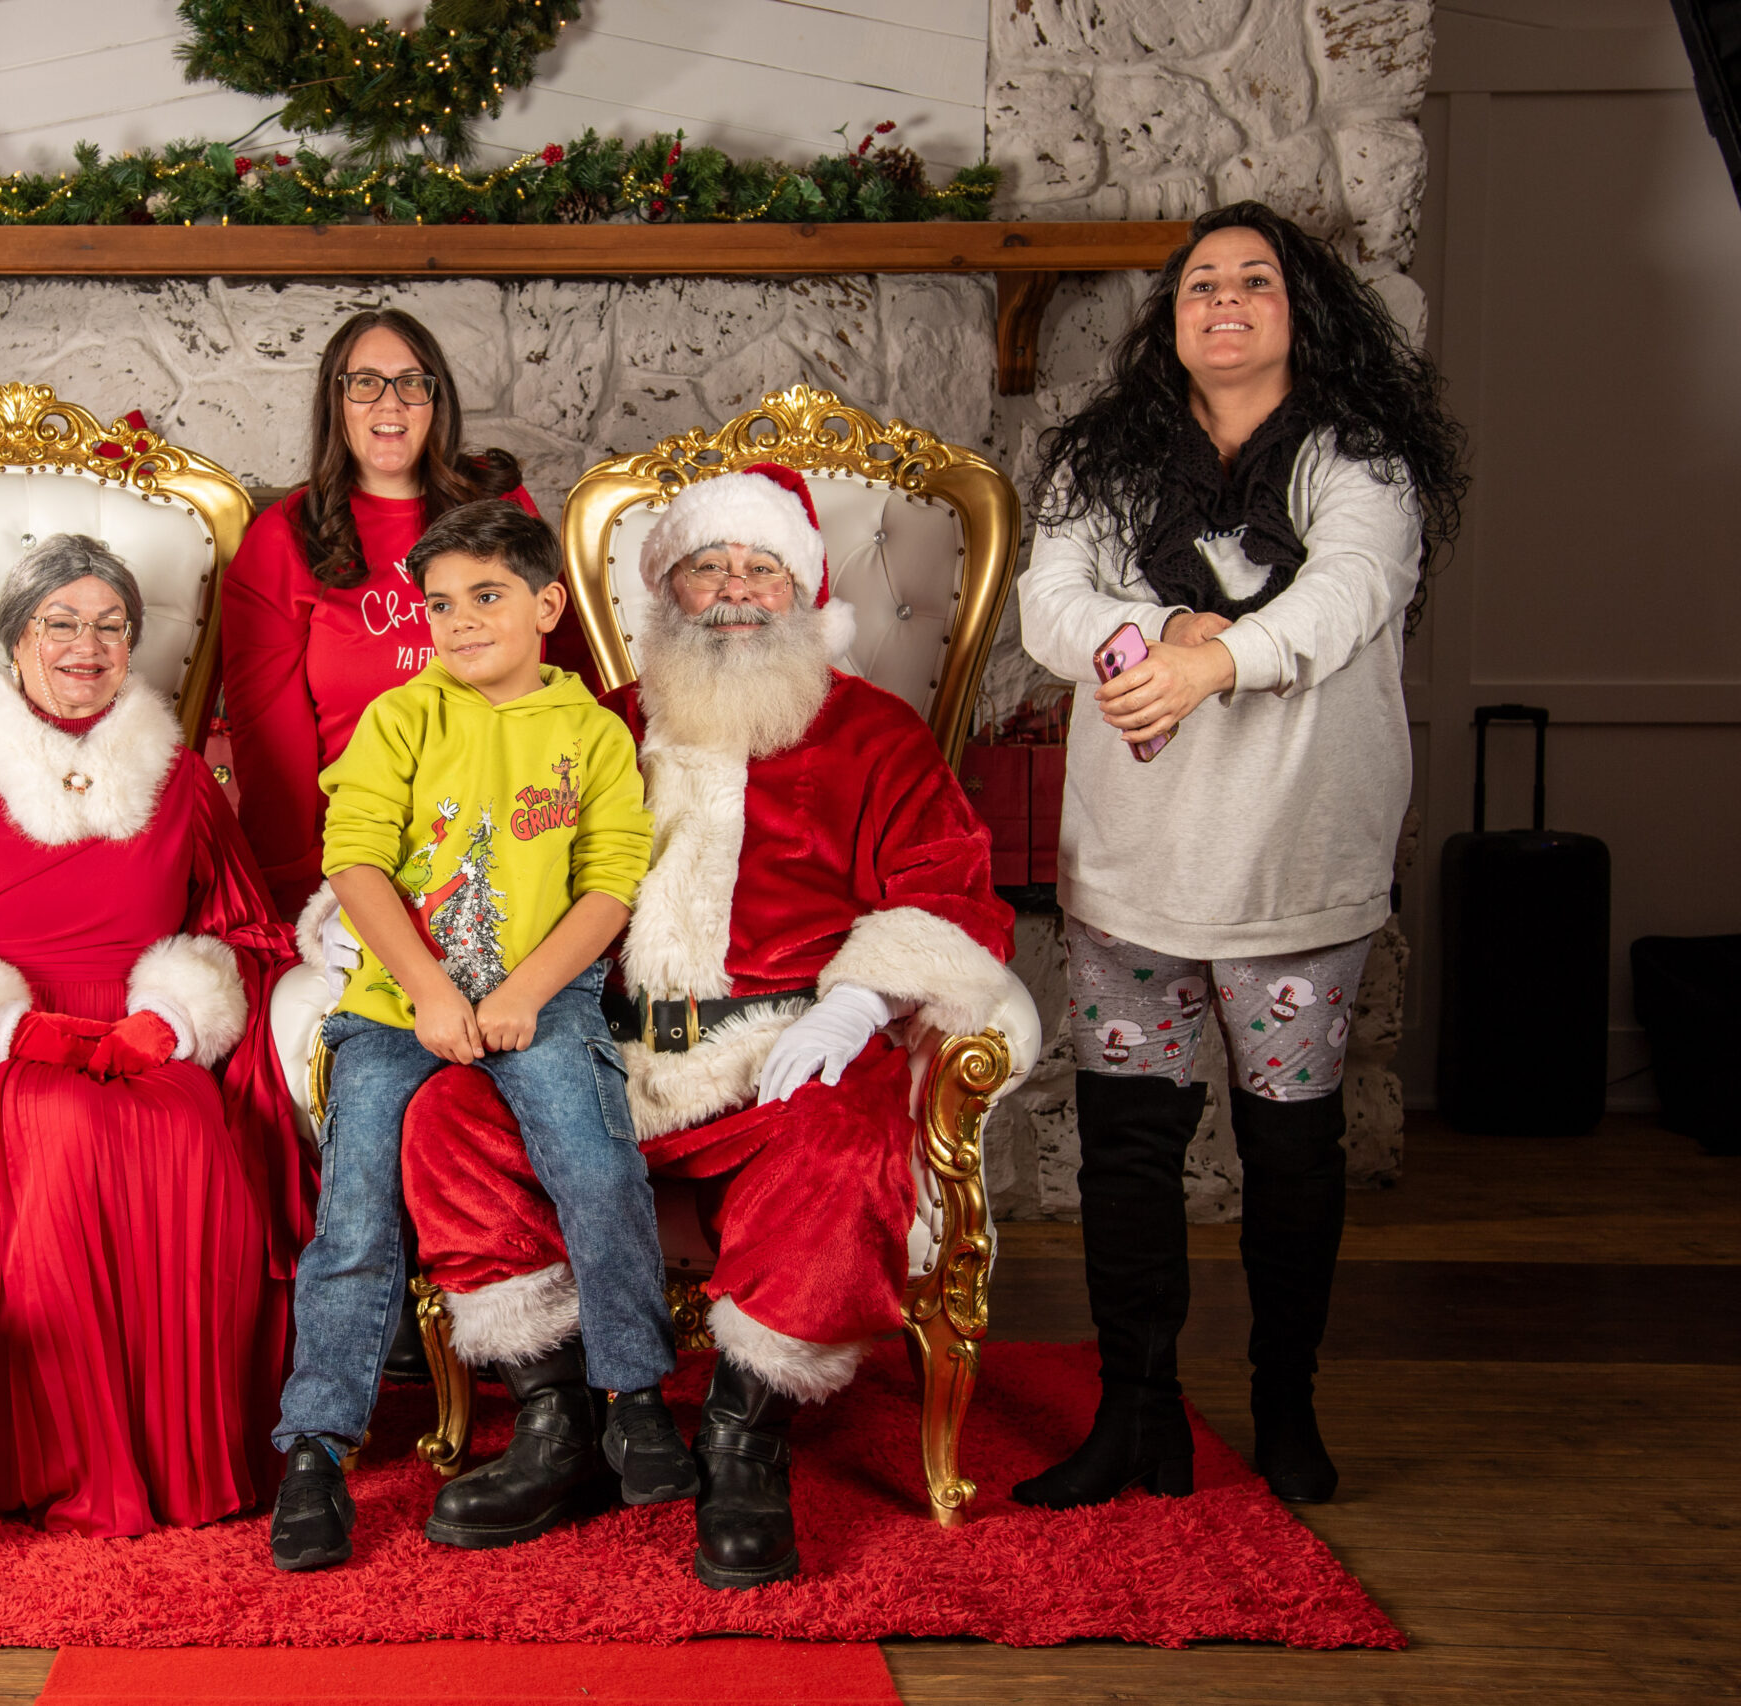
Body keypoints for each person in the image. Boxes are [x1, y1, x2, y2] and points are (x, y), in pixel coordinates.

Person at [401, 465, 1018, 1589]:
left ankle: (744, 1439)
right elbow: (473, 850)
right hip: (599, 1050)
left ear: (804, 590)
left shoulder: (874, 732)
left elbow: (948, 888)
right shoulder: (588, 725)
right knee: (449, 1116)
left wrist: (857, 1002)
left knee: (847, 1142)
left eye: (760, 567)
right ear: (665, 591)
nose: (734, 590)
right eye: (707, 566)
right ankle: (556, 1424)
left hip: (779, 1053)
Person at [1010, 201, 1465, 1510]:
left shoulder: (1361, 461)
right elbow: (1051, 599)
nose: (1223, 299)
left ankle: (1285, 1404)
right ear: (1173, 317)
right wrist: (1155, 639)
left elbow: (1347, 593)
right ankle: (1136, 1413)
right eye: (1200, 281)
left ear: (1298, 311)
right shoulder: (1104, 459)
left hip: (1297, 864)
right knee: (1129, 1147)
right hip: (1134, 861)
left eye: (1253, 280)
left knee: (1290, 1148)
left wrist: (1216, 664)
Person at [0, 534, 309, 1539]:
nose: (88, 644)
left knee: (194, 1137)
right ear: (14, 640)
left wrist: (174, 1016)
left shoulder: (179, 780)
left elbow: (248, 933)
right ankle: (62, 1459)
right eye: (61, 622)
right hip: (4, 1050)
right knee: (67, 1135)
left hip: (146, 1037)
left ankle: (184, 1461)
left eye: (111, 625)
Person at [267, 500, 682, 1573]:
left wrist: (529, 993)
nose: (458, 621)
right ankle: (316, 1447)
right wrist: (428, 992)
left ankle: (634, 1396)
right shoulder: (401, 719)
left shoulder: (591, 733)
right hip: (399, 1006)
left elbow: (610, 882)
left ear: (547, 605)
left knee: (596, 1165)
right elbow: (354, 857)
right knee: (354, 1214)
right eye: (440, 604)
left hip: (544, 1000)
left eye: (486, 597)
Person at [220, 307, 599, 922]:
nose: (389, 402)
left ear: (436, 400)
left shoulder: (497, 504)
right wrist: (295, 889)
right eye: (365, 383)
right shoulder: (285, 535)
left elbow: (566, 669)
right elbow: (269, 743)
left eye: (411, 382)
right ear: (336, 400)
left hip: (507, 824)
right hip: (362, 844)